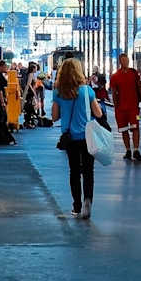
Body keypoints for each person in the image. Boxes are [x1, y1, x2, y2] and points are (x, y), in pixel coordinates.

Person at [53, 58, 105, 219]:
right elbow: (98, 114)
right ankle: (88, 200)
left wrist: (65, 109)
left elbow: (54, 117)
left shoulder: (58, 92)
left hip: (70, 138)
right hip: (87, 136)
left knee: (74, 171)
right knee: (88, 171)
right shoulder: (87, 91)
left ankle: (76, 206)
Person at [109, 52, 141, 162]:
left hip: (134, 108)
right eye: (124, 60)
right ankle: (128, 150)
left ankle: (136, 150)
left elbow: (139, 86)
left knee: (136, 127)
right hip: (121, 109)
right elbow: (114, 92)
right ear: (120, 62)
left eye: (127, 60)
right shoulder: (115, 76)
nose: (126, 62)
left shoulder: (134, 73)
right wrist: (116, 107)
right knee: (124, 129)